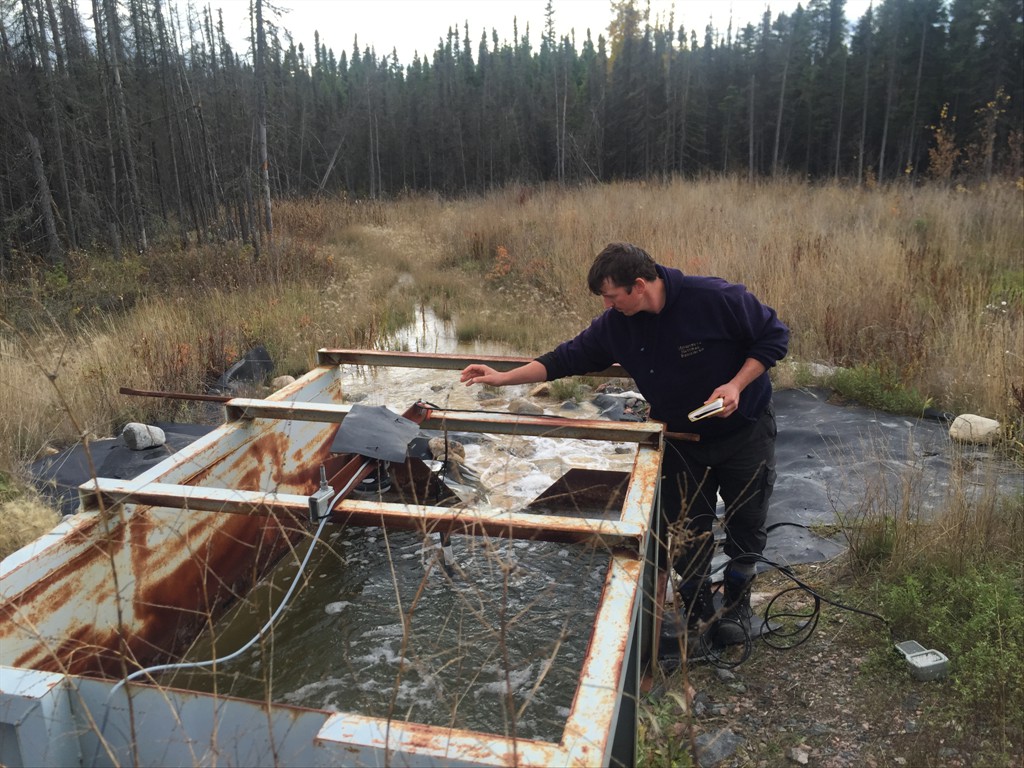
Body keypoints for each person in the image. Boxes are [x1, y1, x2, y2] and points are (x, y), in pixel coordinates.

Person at [460, 242, 789, 647]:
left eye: (613, 297)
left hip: (745, 430)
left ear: (638, 285)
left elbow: (774, 337)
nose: (609, 306)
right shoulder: (616, 325)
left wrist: (736, 385)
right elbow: (564, 358)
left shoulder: (715, 297)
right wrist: (500, 376)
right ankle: (698, 603)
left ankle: (738, 598)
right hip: (680, 439)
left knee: (747, 519)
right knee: (686, 528)